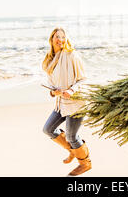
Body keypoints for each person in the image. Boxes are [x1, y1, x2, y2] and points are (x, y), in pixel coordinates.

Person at [41, 27, 91, 176]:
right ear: (51, 39)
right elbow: (51, 85)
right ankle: (73, 151)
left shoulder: (72, 56)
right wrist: (52, 92)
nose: (60, 39)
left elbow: (83, 79)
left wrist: (71, 90)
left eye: (63, 37)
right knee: (48, 129)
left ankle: (85, 164)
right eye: (57, 37)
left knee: (71, 136)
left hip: (76, 103)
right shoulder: (49, 61)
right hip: (60, 103)